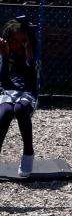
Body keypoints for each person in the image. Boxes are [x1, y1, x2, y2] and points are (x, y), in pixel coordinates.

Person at [0, 14, 38, 175]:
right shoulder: (5, 53)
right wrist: (4, 55)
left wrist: (29, 53)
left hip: (29, 91)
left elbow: (32, 81)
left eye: (22, 41)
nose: (17, 45)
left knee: (20, 109)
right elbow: (4, 82)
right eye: (14, 41)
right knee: (6, 111)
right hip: (8, 90)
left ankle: (28, 153)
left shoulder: (34, 54)